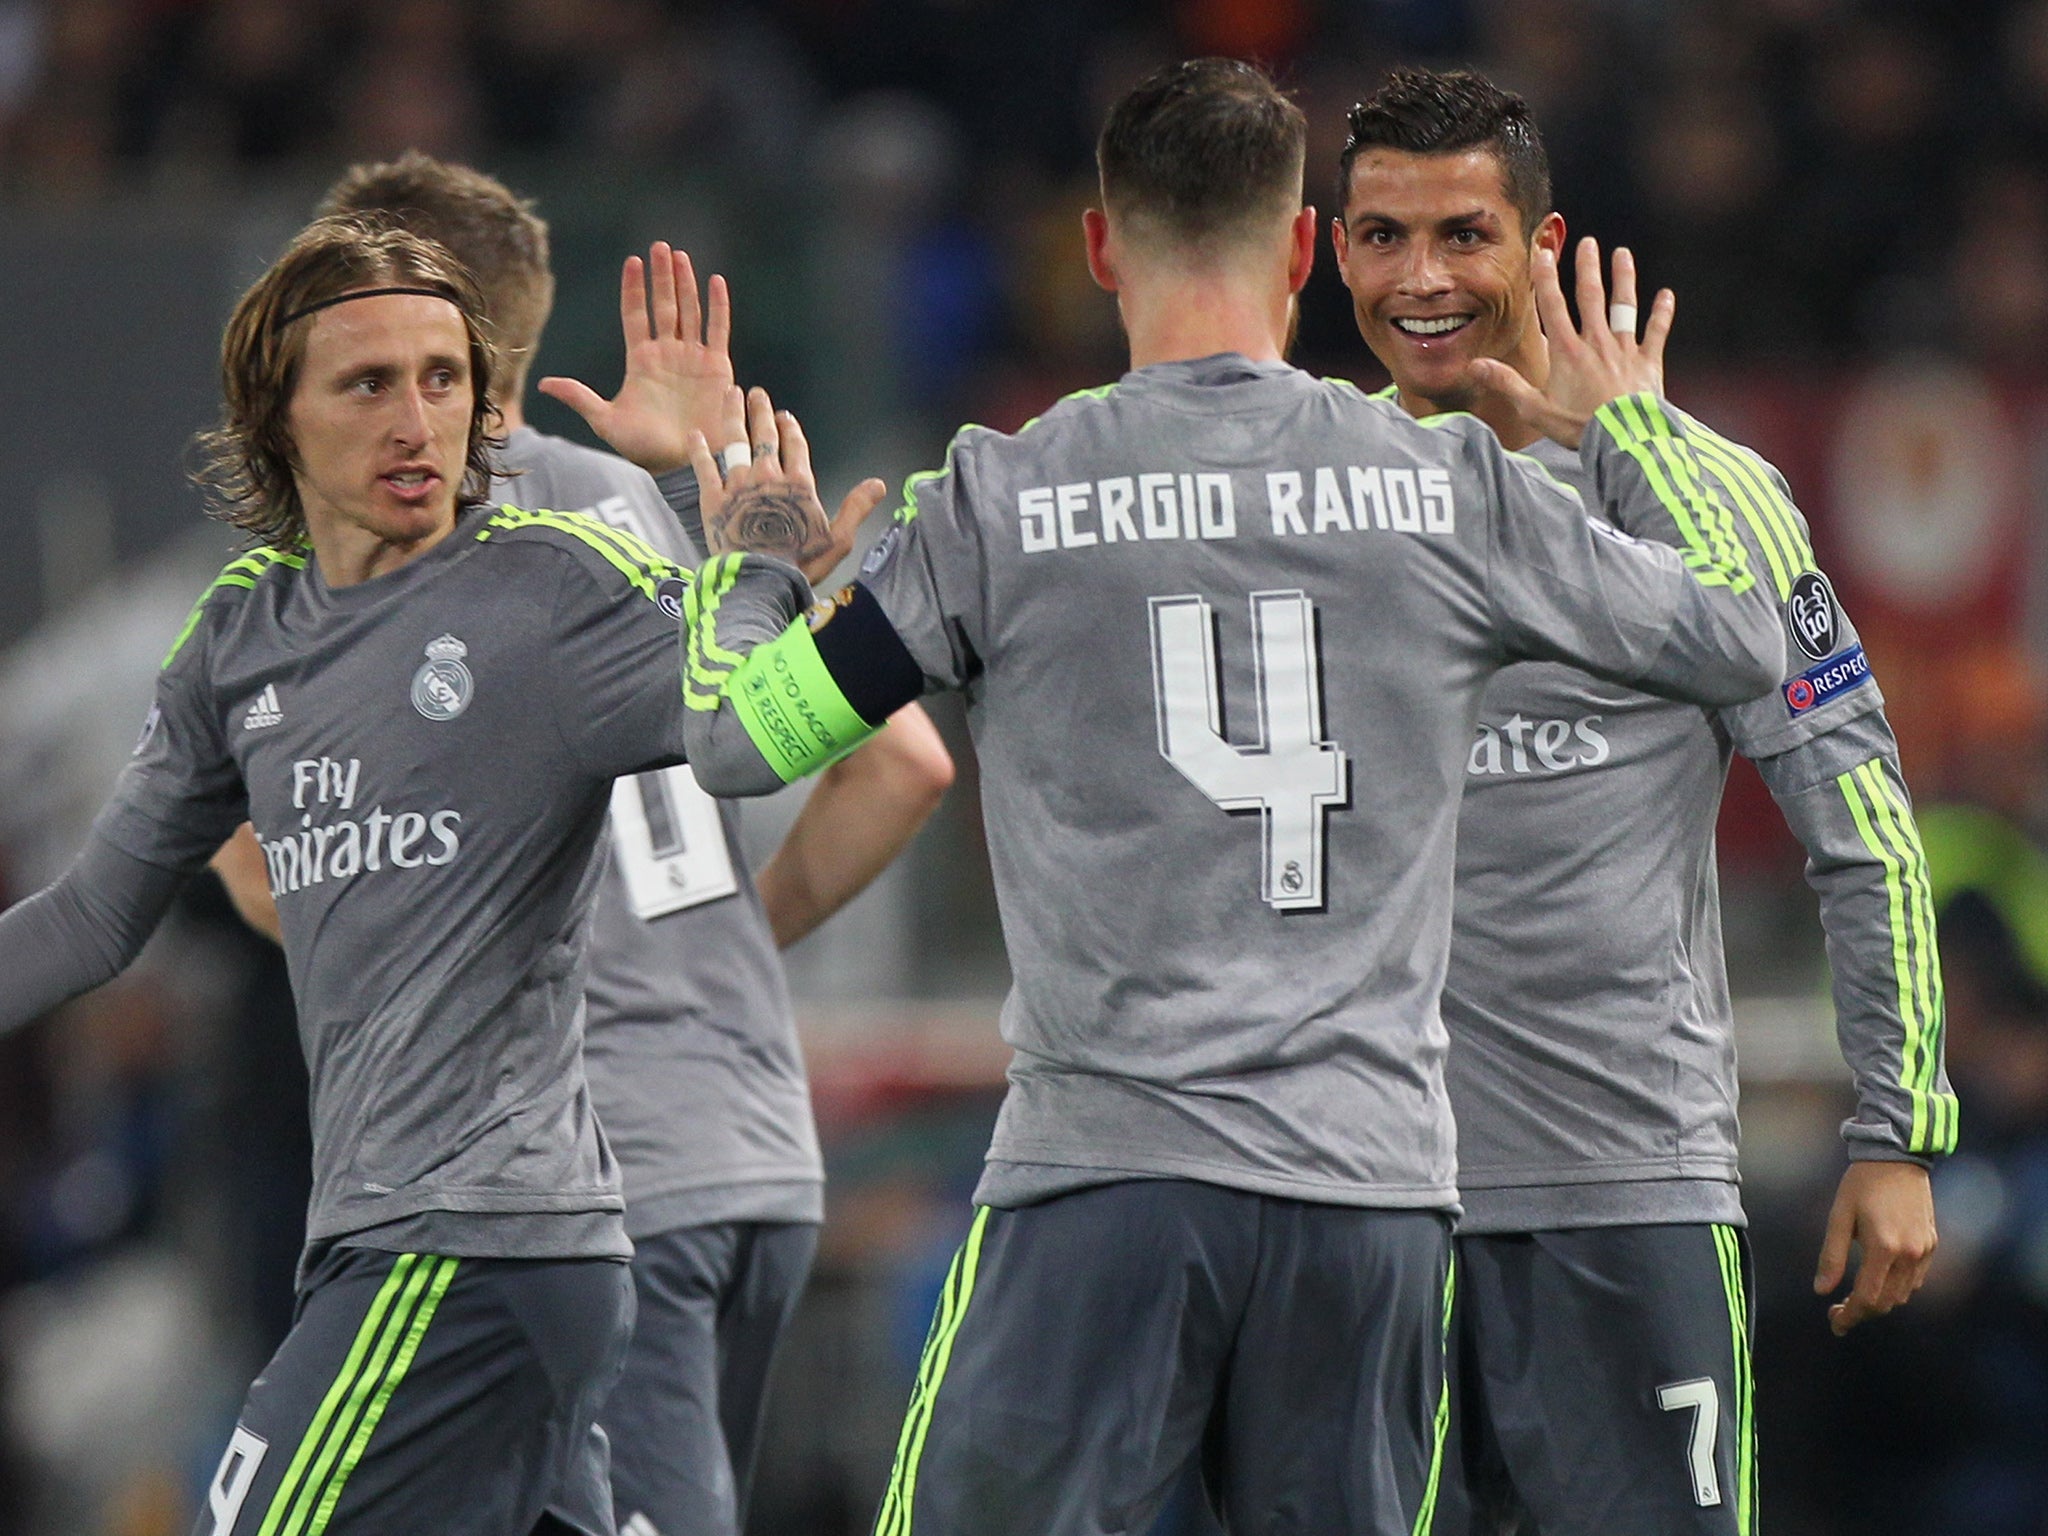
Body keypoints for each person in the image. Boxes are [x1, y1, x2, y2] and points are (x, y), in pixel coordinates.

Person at [640, 57, 1784, 1536]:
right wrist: (1623, 428)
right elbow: (1746, 636)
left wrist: (750, 564)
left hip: (1105, 1185)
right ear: (1308, 250)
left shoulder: (1000, 502)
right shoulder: (1443, 490)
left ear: (1100, 246)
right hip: (1369, 1206)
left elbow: (739, 739)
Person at [208, 152, 955, 1536]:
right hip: (753, 1143)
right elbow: (904, 762)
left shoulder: (410, 534)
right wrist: (728, 943)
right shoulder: (671, 513)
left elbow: (255, 858)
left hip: (577, 1180)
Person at [0, 216, 712, 1536]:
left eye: (443, 379)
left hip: (470, 1240)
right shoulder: (240, 640)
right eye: (369, 382)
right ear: (274, 420)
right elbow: (97, 914)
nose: (417, 420)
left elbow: (757, 729)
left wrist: (709, 507)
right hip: (426, 1242)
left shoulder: (536, 594)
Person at [1328, 66, 1951, 1535]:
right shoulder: (1314, 491)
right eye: (1382, 236)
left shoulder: (1705, 496)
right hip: (1357, 1201)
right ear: (1332, 252)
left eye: (1464, 234)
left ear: (1543, 250)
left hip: (1626, 1197)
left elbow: (1860, 813)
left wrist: (1897, 1126)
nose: (1421, 278)